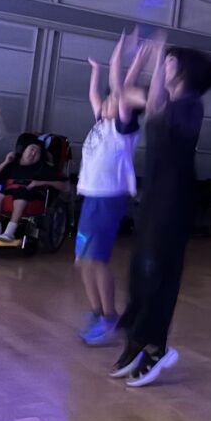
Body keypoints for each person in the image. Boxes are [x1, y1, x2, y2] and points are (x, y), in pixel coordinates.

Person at [111, 36, 211, 387]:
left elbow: (155, 101)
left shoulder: (190, 105)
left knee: (159, 269)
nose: (165, 65)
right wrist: (131, 58)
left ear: (186, 71)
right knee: (140, 267)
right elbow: (122, 93)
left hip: (175, 197)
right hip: (155, 195)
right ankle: (136, 341)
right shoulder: (165, 99)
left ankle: (156, 346)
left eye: (172, 61)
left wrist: (157, 53)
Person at [75, 34, 142, 345]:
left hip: (108, 199)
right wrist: (96, 70)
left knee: (96, 259)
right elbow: (94, 93)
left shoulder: (122, 129)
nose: (106, 102)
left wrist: (126, 56)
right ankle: (96, 311)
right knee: (82, 260)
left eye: (113, 100)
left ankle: (109, 316)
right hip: (90, 198)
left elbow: (121, 90)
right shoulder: (100, 122)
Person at [0, 139, 70, 241]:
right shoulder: (11, 164)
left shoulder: (43, 168)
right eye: (32, 149)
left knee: (21, 195)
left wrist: (40, 182)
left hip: (31, 195)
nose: (33, 153)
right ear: (23, 151)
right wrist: (5, 162)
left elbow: (66, 187)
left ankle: (9, 232)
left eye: (37, 152)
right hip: (10, 192)